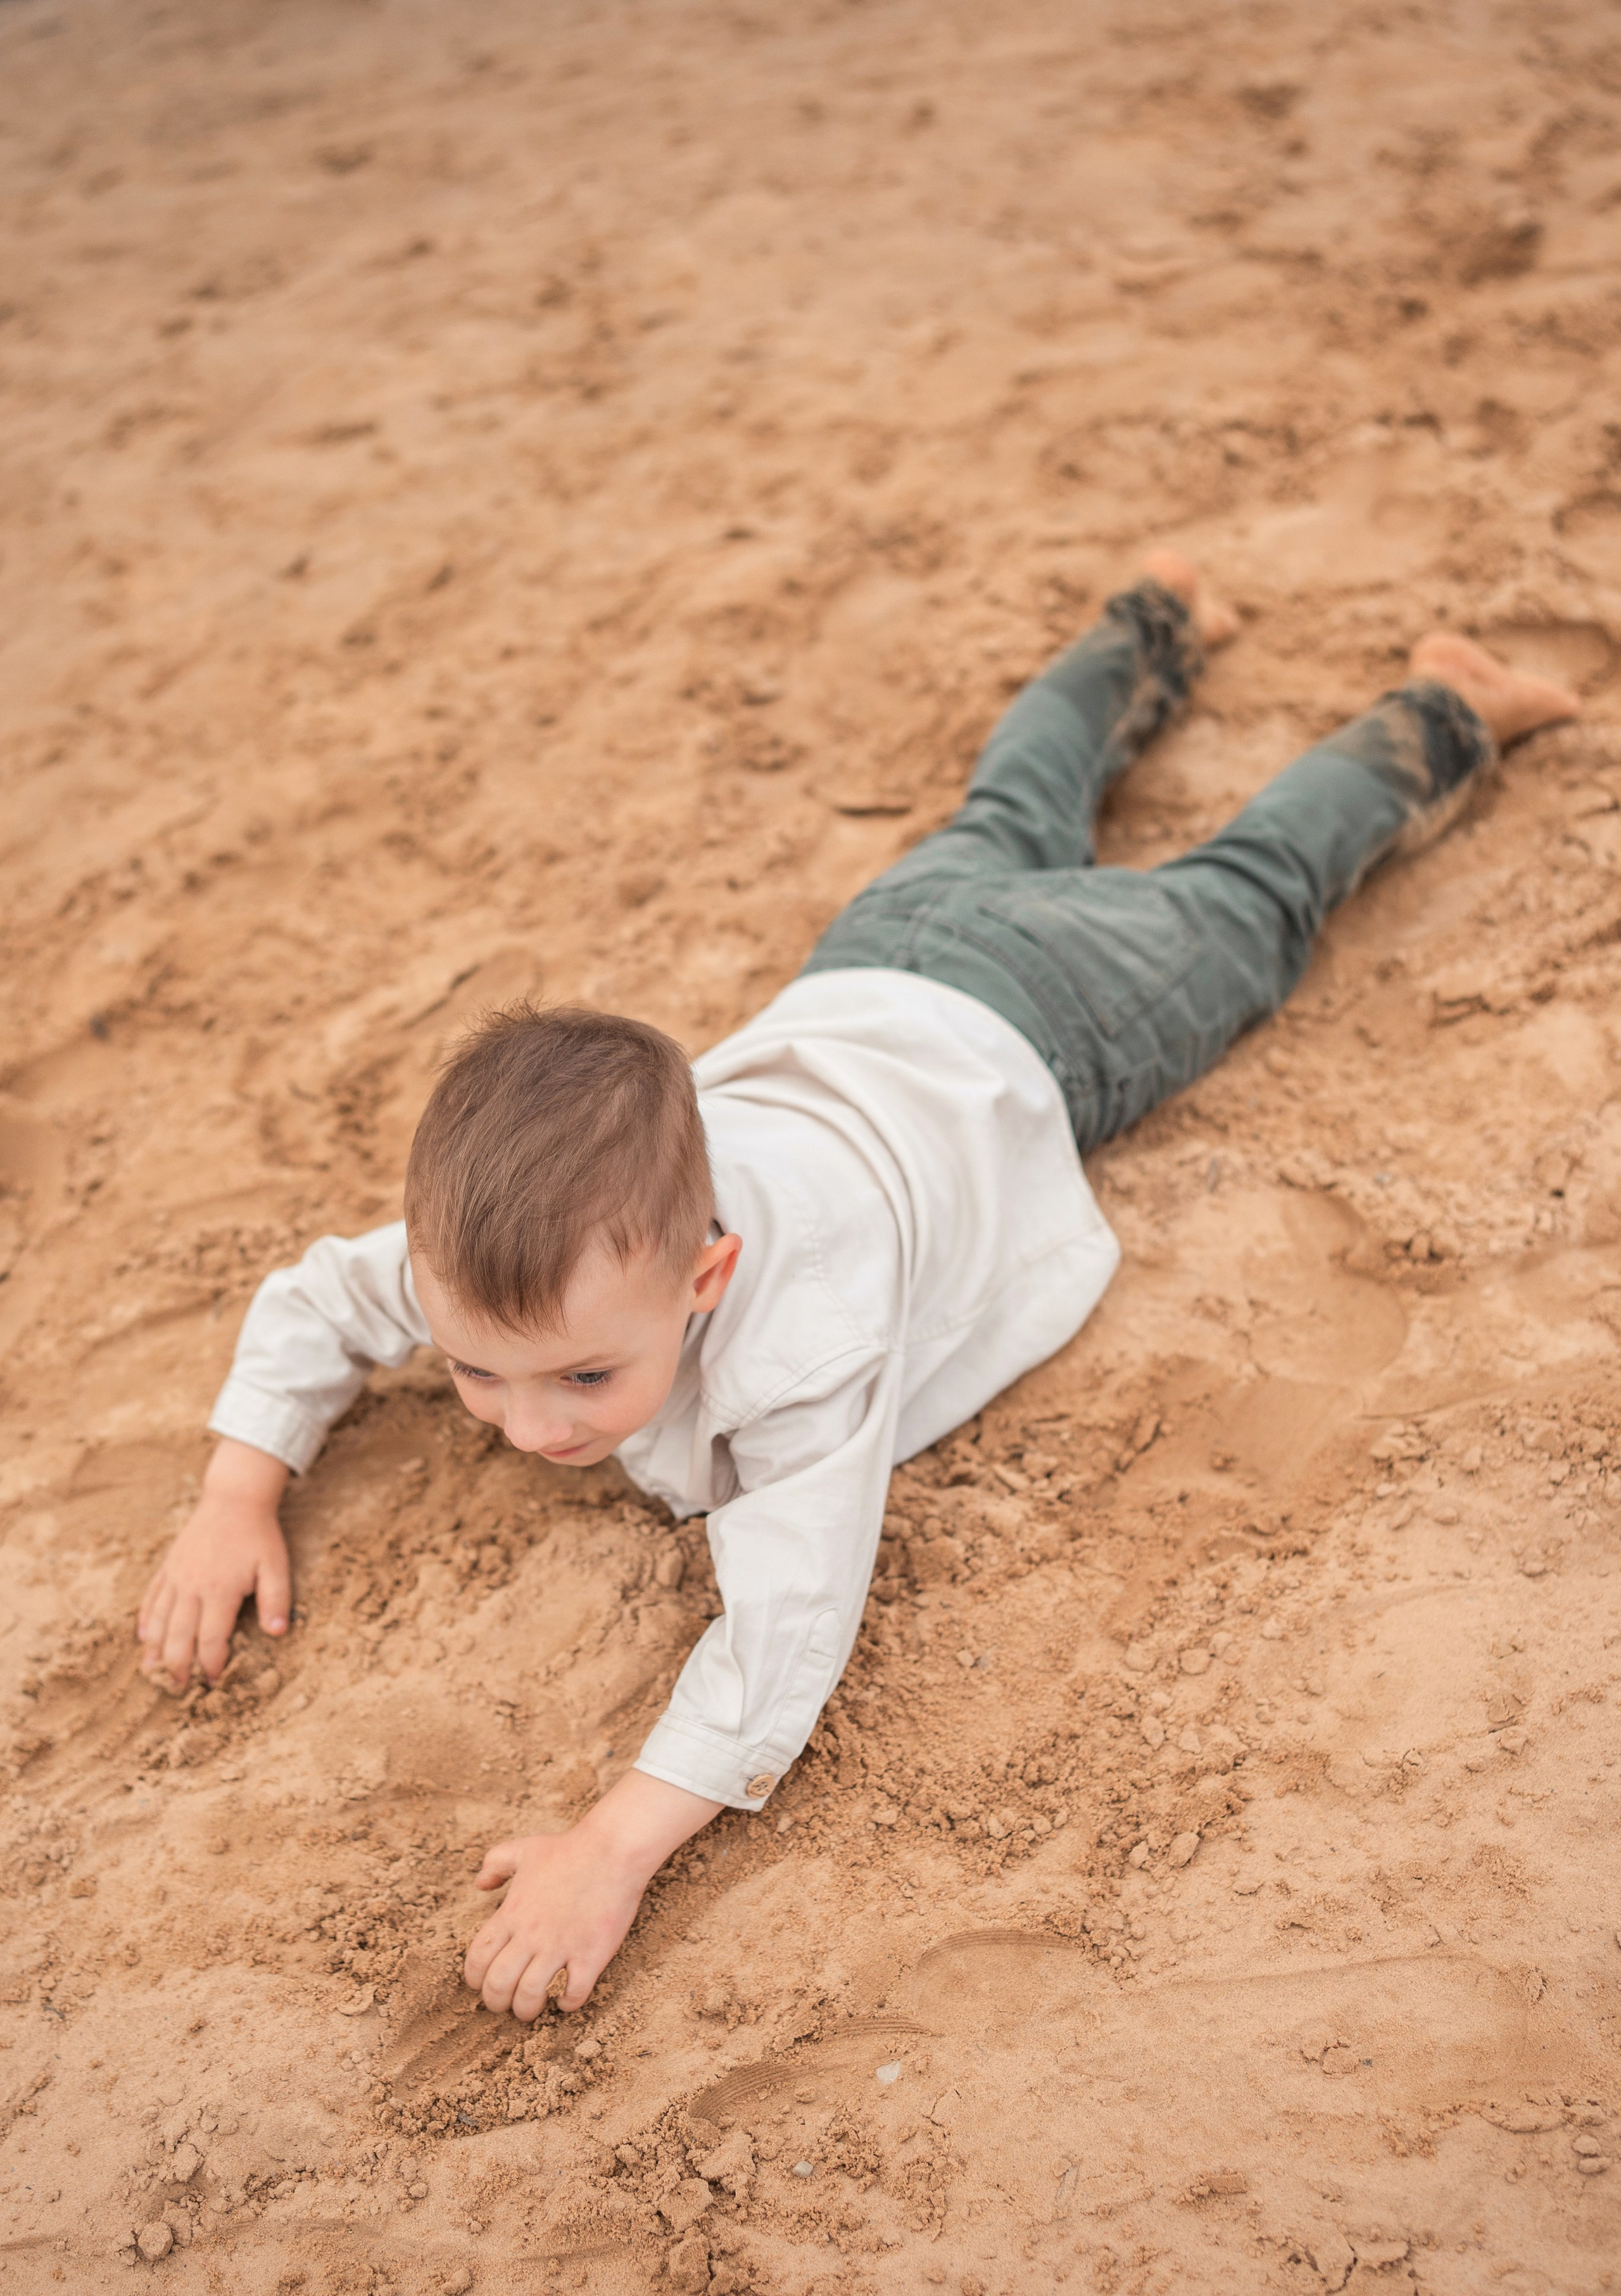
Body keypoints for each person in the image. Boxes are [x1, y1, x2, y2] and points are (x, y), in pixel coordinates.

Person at [136, 553, 1579, 2021]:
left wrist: (610, 1848)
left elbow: (787, 1625)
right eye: (473, 1372)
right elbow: (318, 1302)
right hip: (868, 967)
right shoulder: (512, 1258)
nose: (528, 1424)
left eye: (584, 1377)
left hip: (1050, 1024)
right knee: (1011, 806)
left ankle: (1442, 702)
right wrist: (235, 1494)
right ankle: (1152, 618)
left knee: (1248, 897)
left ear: (709, 1275)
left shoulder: (797, 1347)